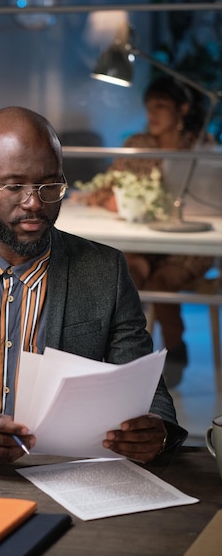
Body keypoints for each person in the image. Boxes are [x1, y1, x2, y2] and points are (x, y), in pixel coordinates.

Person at [0, 105, 187, 465]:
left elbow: (146, 389)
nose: (34, 203)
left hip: (70, 468)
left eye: (50, 185)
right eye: (14, 186)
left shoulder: (105, 270)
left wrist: (157, 430)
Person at [83, 76, 214, 388]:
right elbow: (102, 189)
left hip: (187, 243)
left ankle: (175, 349)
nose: (152, 114)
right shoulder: (136, 145)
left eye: (160, 107)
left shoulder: (201, 147)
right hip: (144, 240)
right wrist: (113, 200)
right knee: (129, 273)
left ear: (181, 110)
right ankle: (131, 360)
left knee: (162, 282)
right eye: (148, 107)